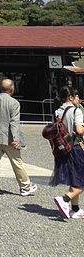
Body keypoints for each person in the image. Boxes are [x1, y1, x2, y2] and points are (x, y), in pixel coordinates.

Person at [0, 78, 38, 197]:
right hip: (8, 138)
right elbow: (14, 123)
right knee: (16, 162)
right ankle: (25, 186)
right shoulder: (14, 103)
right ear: (12, 89)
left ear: (0, 88)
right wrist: (16, 139)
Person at [51, 86, 84, 219]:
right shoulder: (76, 111)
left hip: (63, 148)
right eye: (77, 96)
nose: (79, 99)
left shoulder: (57, 111)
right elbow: (79, 130)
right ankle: (64, 199)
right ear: (70, 97)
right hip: (76, 147)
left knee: (75, 178)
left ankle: (75, 209)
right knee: (81, 179)